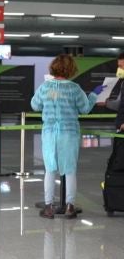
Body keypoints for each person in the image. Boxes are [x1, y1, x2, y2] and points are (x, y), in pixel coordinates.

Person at [31, 54, 106, 219]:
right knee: (70, 170)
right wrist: (93, 95)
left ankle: (49, 207)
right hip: (69, 133)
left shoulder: (45, 87)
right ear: (71, 70)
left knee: (50, 169)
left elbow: (34, 105)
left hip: (50, 132)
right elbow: (85, 108)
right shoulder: (74, 88)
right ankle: (70, 207)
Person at [106, 53, 124, 130]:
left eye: (121, 66)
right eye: (118, 66)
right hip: (120, 127)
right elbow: (120, 105)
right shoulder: (123, 83)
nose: (119, 69)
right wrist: (106, 102)